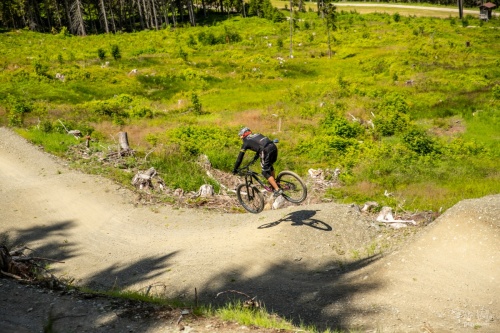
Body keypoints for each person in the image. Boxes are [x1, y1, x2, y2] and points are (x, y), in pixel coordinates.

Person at [232, 127, 283, 197]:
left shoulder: (245, 142)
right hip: (273, 146)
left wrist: (235, 169)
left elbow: (239, 158)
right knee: (269, 165)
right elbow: (259, 146)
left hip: (266, 150)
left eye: (241, 137)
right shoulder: (257, 134)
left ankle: (277, 189)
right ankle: (274, 183)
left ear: (243, 135)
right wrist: (255, 158)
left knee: (264, 172)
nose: (241, 139)